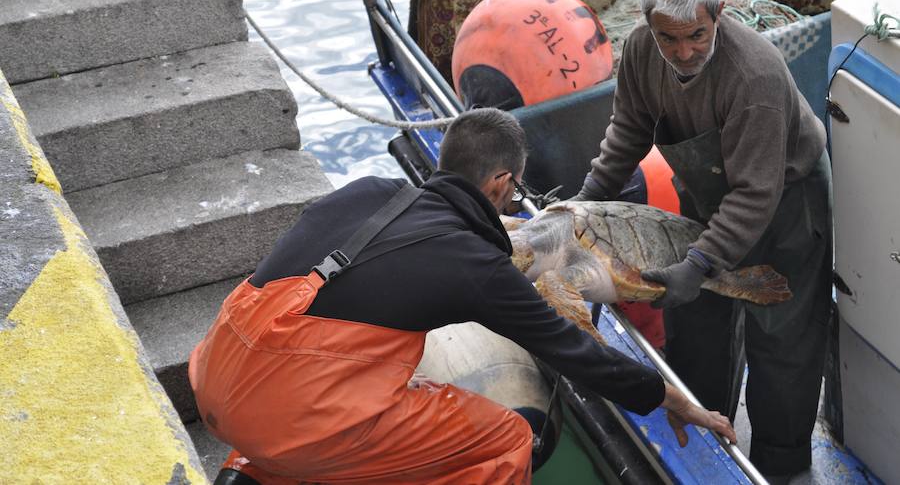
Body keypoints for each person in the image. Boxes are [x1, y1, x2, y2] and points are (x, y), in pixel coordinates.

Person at [189, 107, 735, 485]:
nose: (514, 202)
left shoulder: (367, 192)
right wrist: (673, 399)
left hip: (219, 370)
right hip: (292, 411)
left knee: (316, 399)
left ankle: (247, 472)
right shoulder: (475, 265)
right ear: (500, 182)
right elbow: (575, 351)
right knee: (505, 441)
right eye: (515, 191)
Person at [571, 0, 832, 481]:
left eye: (696, 35)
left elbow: (755, 193)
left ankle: (779, 467)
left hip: (786, 203)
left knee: (781, 344)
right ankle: (702, 439)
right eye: (668, 38)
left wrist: (698, 264)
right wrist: (586, 202)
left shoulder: (753, 75)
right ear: (648, 26)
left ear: (719, 14)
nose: (684, 51)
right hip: (706, 193)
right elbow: (629, 129)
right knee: (694, 328)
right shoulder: (641, 51)